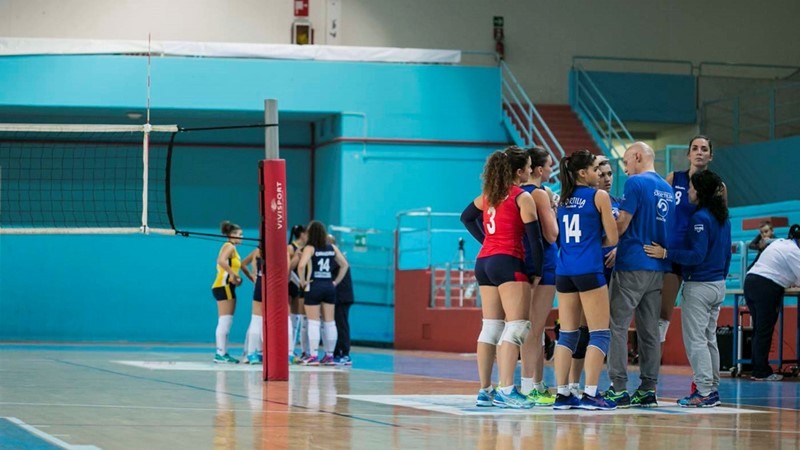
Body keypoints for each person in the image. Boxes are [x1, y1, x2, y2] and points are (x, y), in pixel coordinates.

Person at [460, 146, 544, 409]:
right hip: (508, 262)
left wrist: (487, 240)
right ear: (519, 172)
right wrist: (537, 272)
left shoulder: (490, 195)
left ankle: (485, 390)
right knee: (517, 326)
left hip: (485, 262)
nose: (530, 171)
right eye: (528, 167)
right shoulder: (522, 197)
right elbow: (535, 240)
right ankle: (507, 390)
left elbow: (466, 217)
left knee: (491, 327)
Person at [644, 170, 731, 407]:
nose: (688, 192)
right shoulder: (723, 218)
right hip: (718, 285)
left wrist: (666, 253)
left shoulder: (700, 218)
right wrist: (719, 279)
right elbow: (726, 255)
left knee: (696, 340)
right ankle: (711, 388)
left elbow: (696, 255)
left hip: (700, 286)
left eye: (692, 188)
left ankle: (703, 391)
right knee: (709, 338)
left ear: (700, 192)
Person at [605, 142, 674, 408]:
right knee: (649, 331)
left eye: (625, 162)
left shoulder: (635, 183)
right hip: (656, 268)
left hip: (632, 263)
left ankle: (618, 388)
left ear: (637, 156)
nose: (625, 169)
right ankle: (647, 389)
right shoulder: (667, 188)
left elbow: (622, 223)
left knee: (618, 326)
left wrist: (602, 242)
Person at [551, 150, 618, 410]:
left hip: (564, 271)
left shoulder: (563, 199)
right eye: (594, 170)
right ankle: (590, 394)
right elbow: (613, 238)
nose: (598, 174)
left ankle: (562, 394)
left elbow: (560, 237)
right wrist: (593, 242)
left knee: (567, 335)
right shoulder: (599, 196)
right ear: (583, 173)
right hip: (589, 269)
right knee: (600, 334)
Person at [566, 155, 621, 396]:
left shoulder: (618, 203)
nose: (605, 177)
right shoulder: (582, 199)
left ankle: (611, 384)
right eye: (599, 171)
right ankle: (575, 385)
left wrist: (619, 248)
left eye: (609, 174)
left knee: (612, 328)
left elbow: (628, 233)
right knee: (584, 330)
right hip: (589, 271)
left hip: (613, 273)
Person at [660, 136, 717, 348]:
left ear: (711, 156)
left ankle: (704, 369)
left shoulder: (717, 186)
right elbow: (658, 211)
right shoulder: (673, 178)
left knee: (702, 327)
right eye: (695, 148)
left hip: (699, 259)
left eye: (704, 149)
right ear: (688, 154)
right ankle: (653, 367)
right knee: (662, 316)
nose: (699, 152)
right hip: (673, 254)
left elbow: (720, 223)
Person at [518, 146, 559, 406]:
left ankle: (538, 384)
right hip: (543, 264)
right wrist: (553, 209)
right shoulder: (539, 194)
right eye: (550, 166)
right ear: (539, 169)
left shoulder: (516, 192)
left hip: (522, 261)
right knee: (533, 329)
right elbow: (552, 234)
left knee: (534, 327)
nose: (552, 170)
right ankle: (528, 385)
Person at [743, 224, 800, 381]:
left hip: (750, 282)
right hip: (766, 287)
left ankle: (757, 369)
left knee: (759, 329)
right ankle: (761, 372)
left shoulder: (779, 243)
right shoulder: (795, 251)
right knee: (764, 330)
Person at [297, 220, 349, 366]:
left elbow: (301, 266)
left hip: (314, 285)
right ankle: (329, 356)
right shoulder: (332, 247)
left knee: (313, 322)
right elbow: (345, 265)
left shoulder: (310, 248)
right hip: (328, 286)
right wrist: (335, 282)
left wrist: (303, 282)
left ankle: (313, 355)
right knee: (330, 322)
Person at [211, 221, 252, 364]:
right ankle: (220, 353)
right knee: (225, 321)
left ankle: (222, 352)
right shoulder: (230, 246)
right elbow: (221, 261)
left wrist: (236, 278)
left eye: (242, 234)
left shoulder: (232, 248)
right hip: (224, 286)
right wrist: (233, 275)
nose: (241, 237)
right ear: (231, 235)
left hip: (226, 286)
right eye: (238, 234)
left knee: (225, 320)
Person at [329, 234, 355, 366]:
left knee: (341, 324)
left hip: (342, 297)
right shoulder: (335, 257)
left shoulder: (335, 258)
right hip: (338, 296)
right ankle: (336, 352)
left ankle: (344, 353)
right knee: (336, 324)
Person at [287, 225, 309, 361]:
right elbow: (288, 269)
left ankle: (292, 348)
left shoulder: (307, 248)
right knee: (289, 318)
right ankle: (287, 349)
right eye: (307, 234)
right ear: (302, 234)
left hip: (299, 286)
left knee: (296, 318)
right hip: (290, 283)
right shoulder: (290, 248)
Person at [241, 246, 263, 364]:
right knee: (259, 320)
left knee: (256, 320)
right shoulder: (277, 250)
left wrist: (253, 277)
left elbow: (243, 264)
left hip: (259, 282)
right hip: (270, 284)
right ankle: (253, 352)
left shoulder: (258, 250)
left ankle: (251, 353)